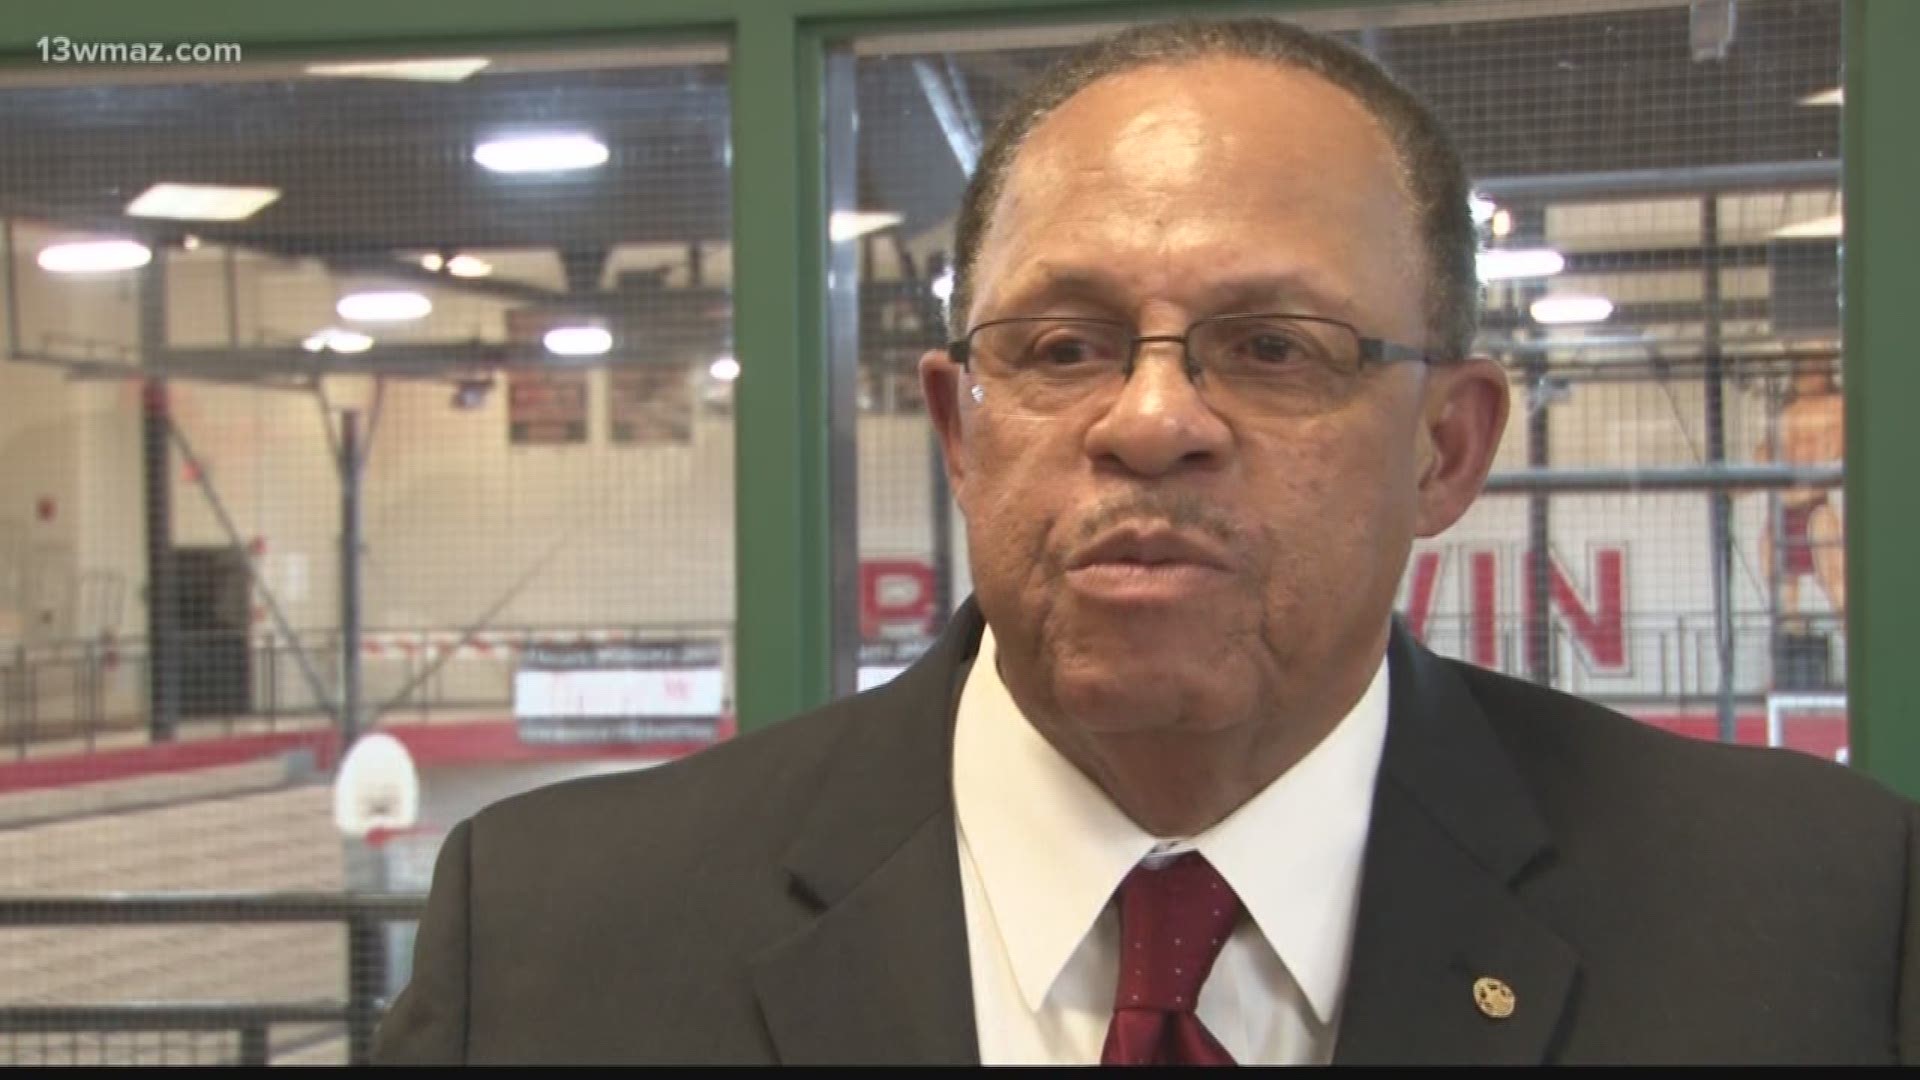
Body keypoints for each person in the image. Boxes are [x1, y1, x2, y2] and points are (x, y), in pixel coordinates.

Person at [375, 18, 1918, 1065]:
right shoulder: (550, 949)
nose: (1153, 417)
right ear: (965, 431)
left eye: (1274, 347)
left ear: (1448, 449)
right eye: (1062, 347)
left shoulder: (1819, 931)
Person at [1758, 367, 1846, 628]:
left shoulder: (1836, 407)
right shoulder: (1786, 414)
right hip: (1783, 512)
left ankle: (1856, 642)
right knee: (1782, 596)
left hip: (1815, 506)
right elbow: (1763, 456)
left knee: (1835, 580)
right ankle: (1788, 649)